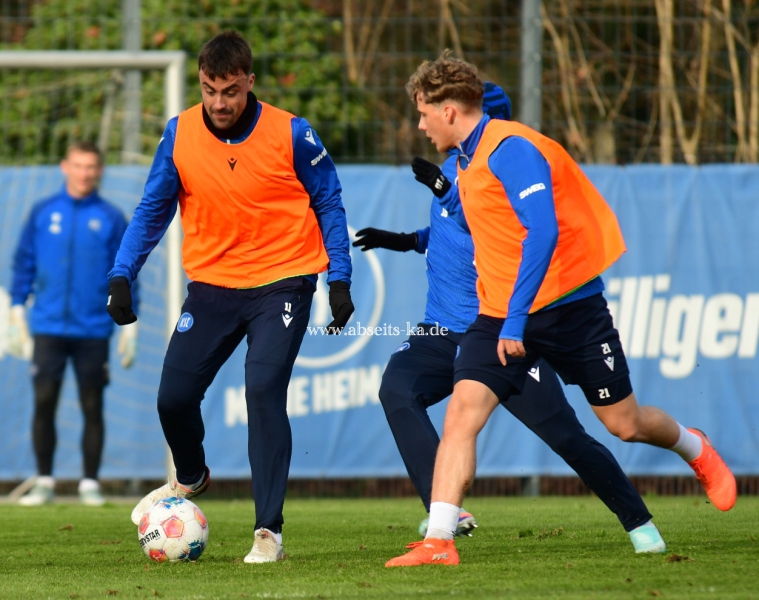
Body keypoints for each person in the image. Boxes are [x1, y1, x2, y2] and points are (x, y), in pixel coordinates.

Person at [386, 54, 736, 567]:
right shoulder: (463, 160)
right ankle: (439, 541)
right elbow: (477, 219)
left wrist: (516, 320)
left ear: (450, 111)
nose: (420, 125)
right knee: (462, 411)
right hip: (498, 312)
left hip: (569, 309)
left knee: (625, 423)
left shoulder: (510, 149)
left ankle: (693, 447)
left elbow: (543, 231)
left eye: (423, 114)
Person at [354, 83, 664, 555]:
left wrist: (446, 192)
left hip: (498, 324)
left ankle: (639, 522)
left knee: (568, 437)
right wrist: (406, 240)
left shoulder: (500, 166)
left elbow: (502, 231)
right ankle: (444, 517)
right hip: (445, 328)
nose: (421, 124)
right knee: (400, 389)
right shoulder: (457, 166)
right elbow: (448, 231)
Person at [107, 31, 353, 563]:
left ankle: (268, 532)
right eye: (209, 90)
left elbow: (329, 202)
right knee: (172, 399)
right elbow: (152, 210)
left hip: (284, 280)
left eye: (230, 91)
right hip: (213, 286)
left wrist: (340, 278)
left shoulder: (292, 133)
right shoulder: (179, 134)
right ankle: (191, 477)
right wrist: (122, 274)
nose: (219, 103)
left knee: (262, 389)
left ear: (250, 83)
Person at [9, 141, 138, 507]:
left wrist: (130, 323)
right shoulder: (43, 212)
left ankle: (90, 484)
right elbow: (23, 262)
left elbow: (126, 271)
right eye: (78, 165)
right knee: (44, 401)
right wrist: (16, 308)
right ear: (65, 167)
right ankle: (44, 482)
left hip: (93, 329)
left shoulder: (111, 217)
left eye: (91, 167)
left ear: (100, 171)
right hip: (48, 327)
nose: (85, 173)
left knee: (92, 404)